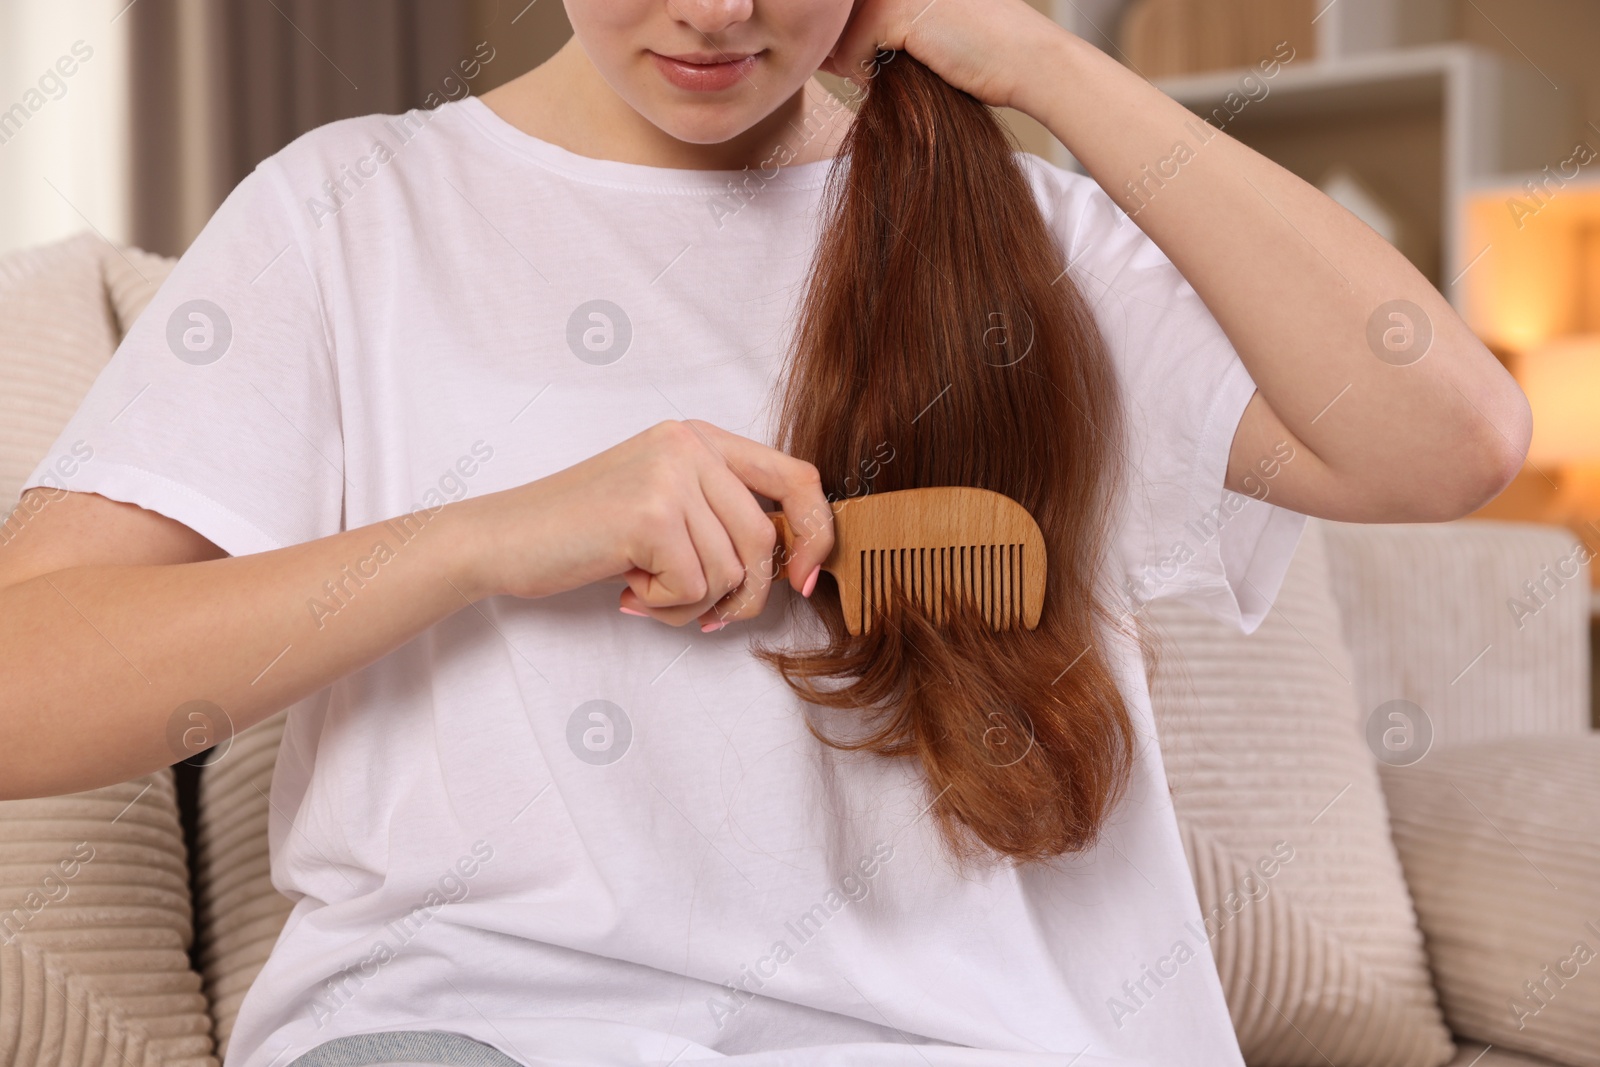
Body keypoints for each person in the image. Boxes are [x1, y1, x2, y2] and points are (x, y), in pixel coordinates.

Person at [0, 1, 1529, 1065]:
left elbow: (1453, 440)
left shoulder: (1024, 242)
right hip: (476, 1030)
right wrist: (491, 535)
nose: (720, 10)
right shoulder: (348, 216)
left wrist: (1053, 69)